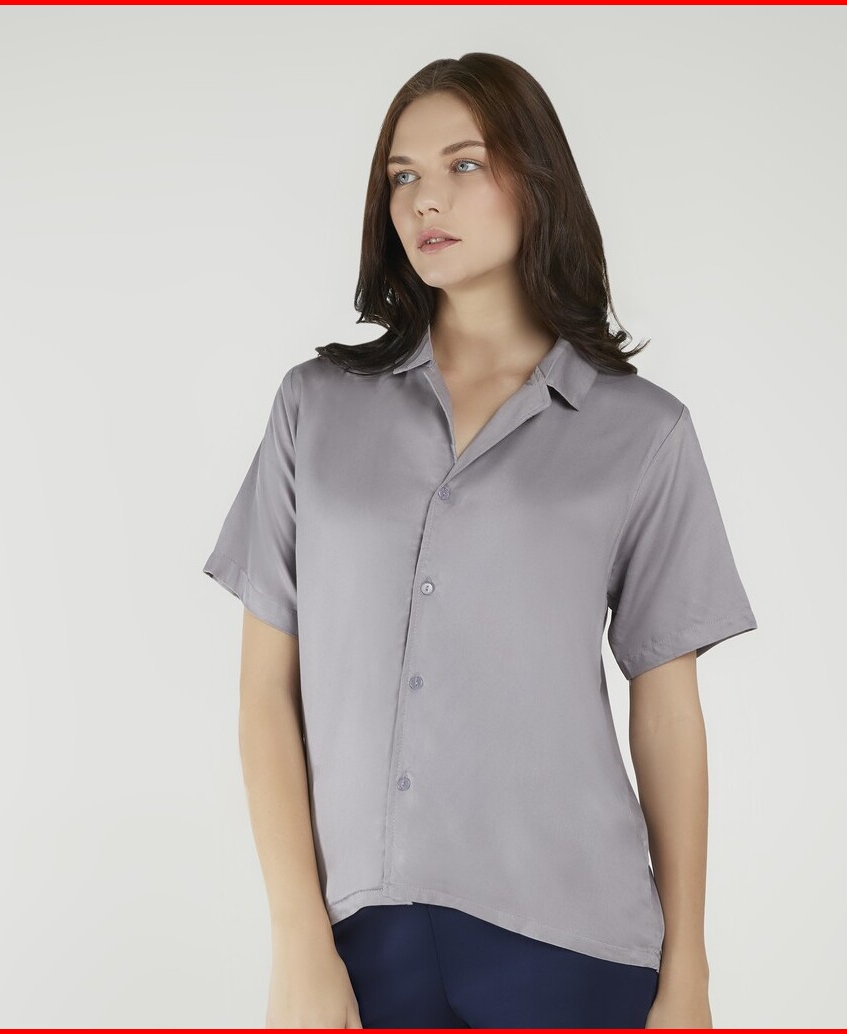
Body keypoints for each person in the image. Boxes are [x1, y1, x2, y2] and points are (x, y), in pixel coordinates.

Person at [202, 52, 757, 1030]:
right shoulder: (314, 409)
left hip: (574, 940)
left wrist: (689, 969)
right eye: (403, 176)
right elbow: (263, 694)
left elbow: (667, 711)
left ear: (536, 180)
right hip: (358, 935)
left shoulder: (642, 432)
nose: (426, 199)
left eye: (464, 164)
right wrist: (297, 935)